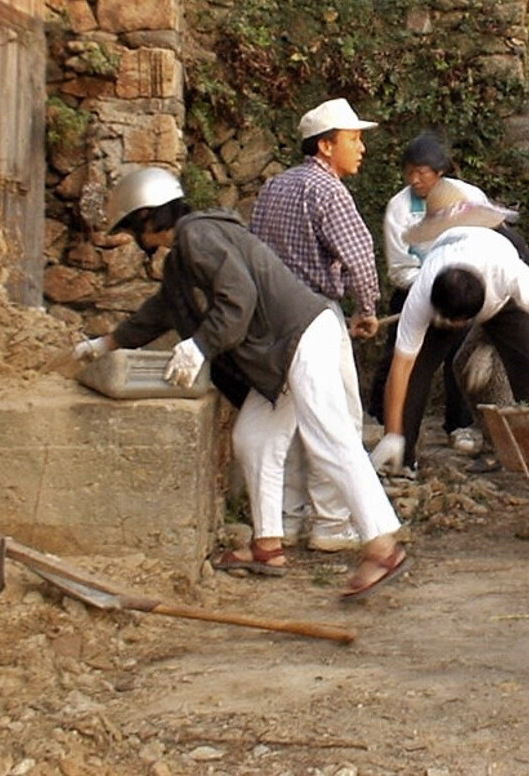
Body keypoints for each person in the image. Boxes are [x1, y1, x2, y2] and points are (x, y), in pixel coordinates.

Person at [71, 166, 409, 601]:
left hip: (300, 337)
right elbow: (161, 310)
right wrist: (105, 344)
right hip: (283, 353)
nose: (138, 241)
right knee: (252, 438)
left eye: (135, 228)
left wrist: (200, 346)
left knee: (330, 441)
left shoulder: (196, 235)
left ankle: (382, 546)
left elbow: (239, 296)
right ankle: (267, 546)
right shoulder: (183, 256)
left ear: (149, 218)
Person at [248, 98, 381, 553]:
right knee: (337, 418)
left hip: (273, 320)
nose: (360, 148)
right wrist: (366, 309)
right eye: (353, 139)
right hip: (318, 317)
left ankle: (285, 519)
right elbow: (360, 256)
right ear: (326, 146)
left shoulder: (275, 187)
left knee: (285, 420)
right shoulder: (329, 191)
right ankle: (330, 523)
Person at [369, 180, 529, 476]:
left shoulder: (506, 270)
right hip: (448, 298)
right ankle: (403, 460)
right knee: (418, 373)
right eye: (455, 324)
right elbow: (402, 366)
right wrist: (392, 432)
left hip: (505, 305)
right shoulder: (424, 291)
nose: (458, 328)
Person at [368, 135, 490, 455]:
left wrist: (456, 282)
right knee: (402, 356)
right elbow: (399, 266)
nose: (414, 180)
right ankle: (389, 425)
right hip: (414, 291)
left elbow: (485, 242)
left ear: (440, 172)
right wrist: (429, 284)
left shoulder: (468, 196)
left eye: (422, 172)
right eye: (409, 172)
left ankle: (460, 424)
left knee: (457, 356)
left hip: (461, 290)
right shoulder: (399, 207)